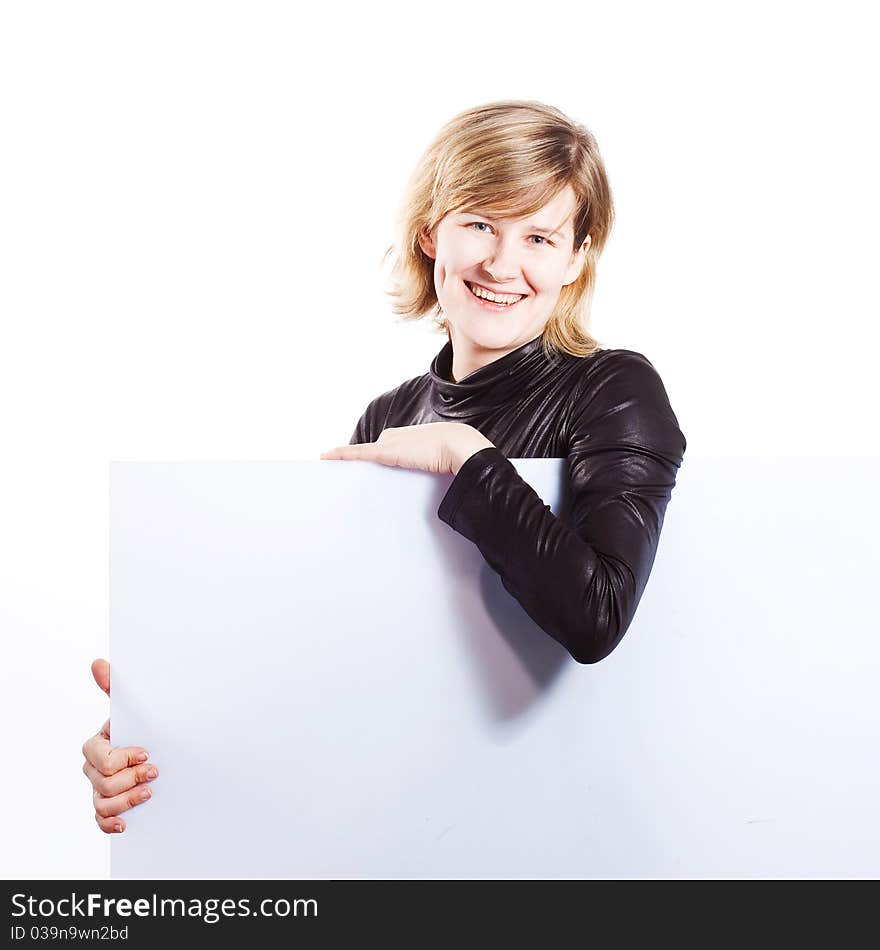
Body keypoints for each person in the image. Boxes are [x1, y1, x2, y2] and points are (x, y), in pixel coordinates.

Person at [82, 99, 687, 833]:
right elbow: (337, 654)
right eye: (480, 225)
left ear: (577, 255)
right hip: (408, 826)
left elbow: (597, 617)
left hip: (563, 831)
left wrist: (467, 456)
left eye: (539, 236)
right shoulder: (390, 418)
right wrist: (157, 736)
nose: (502, 263)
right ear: (432, 232)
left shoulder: (615, 389)